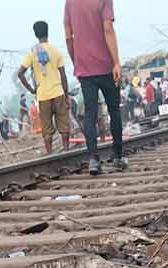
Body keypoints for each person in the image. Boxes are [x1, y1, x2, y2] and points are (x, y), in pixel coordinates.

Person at [64, 0, 127, 174]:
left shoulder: (70, 2)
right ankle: (118, 156)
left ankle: (93, 159)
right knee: (114, 110)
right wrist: (116, 63)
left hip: (85, 69)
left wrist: (76, 60)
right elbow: (108, 28)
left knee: (90, 113)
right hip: (106, 65)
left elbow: (68, 36)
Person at [18, 20, 72, 154]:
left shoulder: (32, 53)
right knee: (64, 127)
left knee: (47, 130)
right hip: (58, 92)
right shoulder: (56, 51)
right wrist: (66, 95)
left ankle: (50, 155)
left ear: (36, 34)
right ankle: (66, 151)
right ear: (47, 32)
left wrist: (31, 89)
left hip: (43, 96)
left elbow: (20, 73)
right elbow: (63, 76)